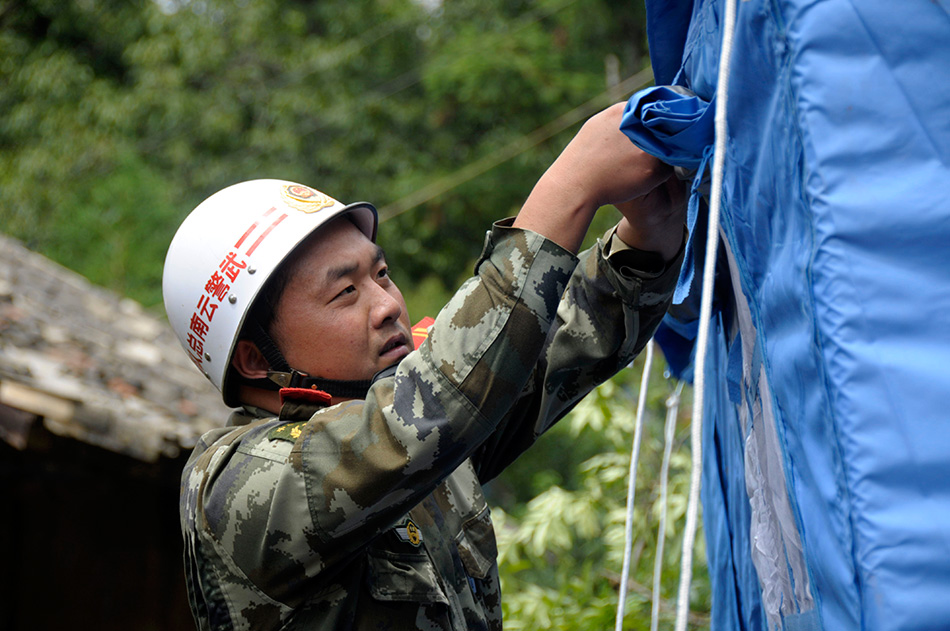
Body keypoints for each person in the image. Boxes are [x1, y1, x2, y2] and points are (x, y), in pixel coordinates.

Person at [163, 103, 686, 631]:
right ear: (256, 359)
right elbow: (434, 402)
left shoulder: (427, 444)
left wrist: (647, 242)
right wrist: (573, 183)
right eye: (345, 292)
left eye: (382, 273)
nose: (387, 303)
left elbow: (544, 353)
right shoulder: (239, 488)